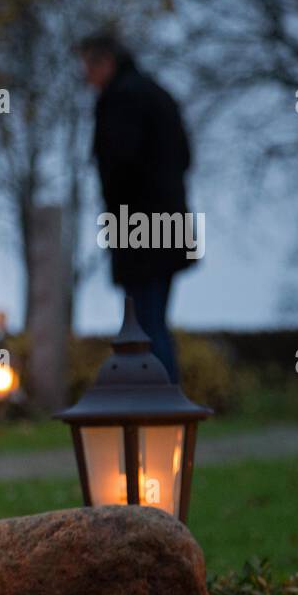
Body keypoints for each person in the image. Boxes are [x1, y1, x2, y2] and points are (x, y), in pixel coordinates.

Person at [78, 31, 195, 382]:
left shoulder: (120, 100)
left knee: (141, 325)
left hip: (137, 224)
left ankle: (157, 406)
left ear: (105, 62)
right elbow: (186, 157)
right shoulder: (158, 94)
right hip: (167, 220)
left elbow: (120, 167)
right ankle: (165, 404)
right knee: (152, 318)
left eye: (88, 66)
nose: (85, 77)